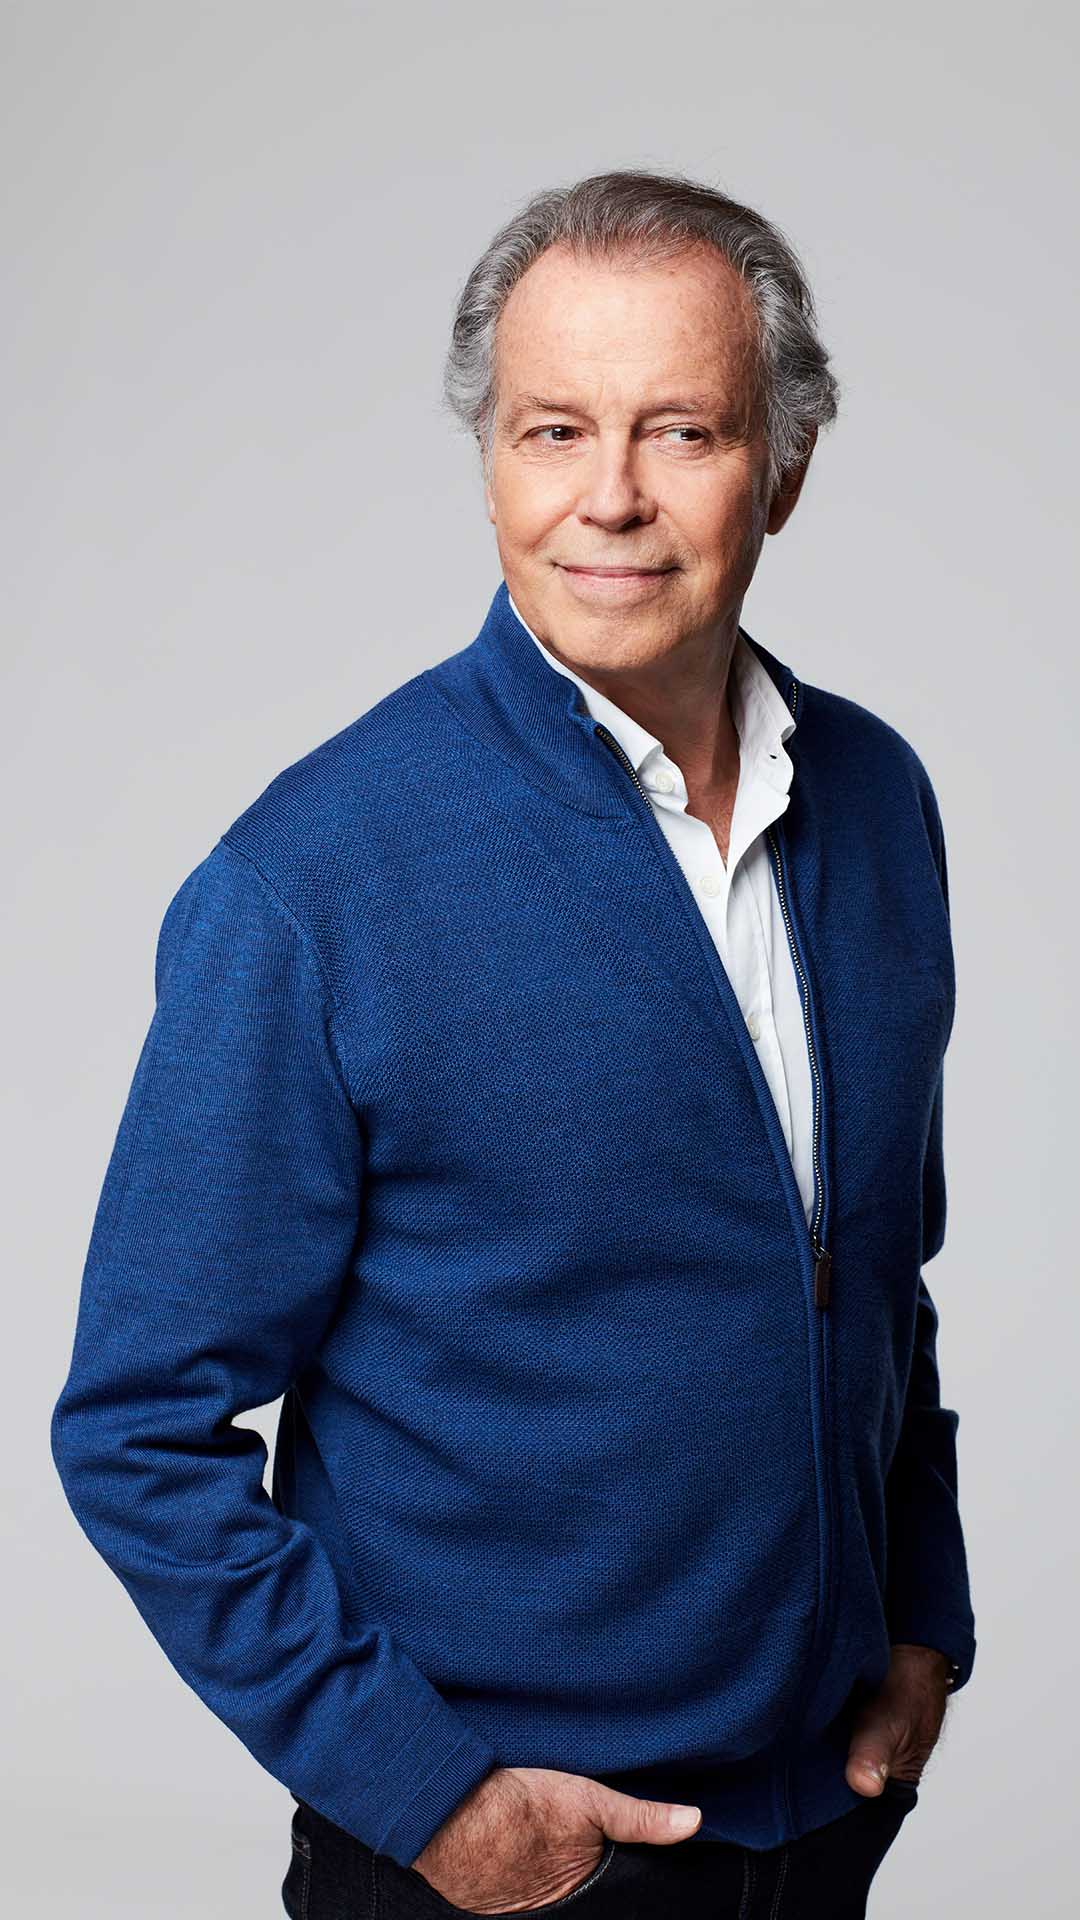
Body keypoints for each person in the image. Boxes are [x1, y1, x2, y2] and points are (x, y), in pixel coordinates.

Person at [50, 168, 976, 1919]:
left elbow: (874, 1279)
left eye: (681, 431)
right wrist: (436, 1801)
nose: (608, 496)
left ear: (783, 467)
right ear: (490, 465)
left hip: (821, 1830)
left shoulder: (877, 802)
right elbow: (135, 1429)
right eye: (554, 431)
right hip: (513, 1865)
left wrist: (925, 1613)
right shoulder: (314, 881)